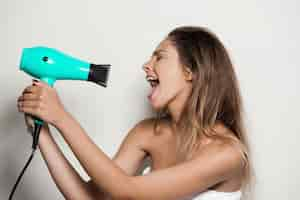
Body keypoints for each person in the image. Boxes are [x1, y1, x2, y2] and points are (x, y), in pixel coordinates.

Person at [17, 26, 254, 200]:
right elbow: (87, 199)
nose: (146, 65)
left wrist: (61, 117)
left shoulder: (227, 154)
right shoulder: (147, 133)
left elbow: (126, 191)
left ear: (190, 71)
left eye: (159, 57)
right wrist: (44, 131)